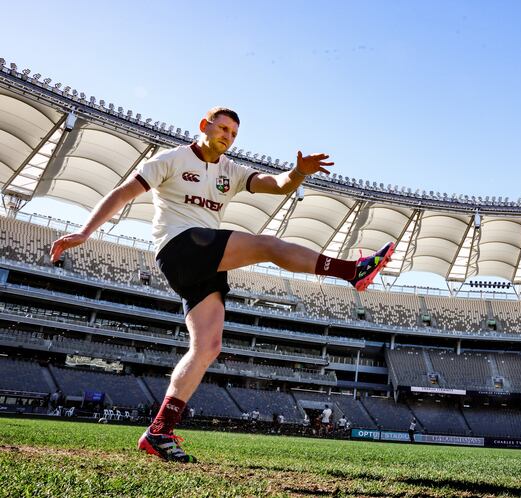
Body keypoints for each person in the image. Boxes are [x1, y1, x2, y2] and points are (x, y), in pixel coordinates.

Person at [50, 107, 395, 463]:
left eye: (233, 133)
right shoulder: (171, 159)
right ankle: (352, 271)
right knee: (267, 246)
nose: (227, 137)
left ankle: (159, 431)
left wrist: (298, 173)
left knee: (207, 347)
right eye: (223, 128)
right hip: (180, 247)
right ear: (205, 125)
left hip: (205, 260)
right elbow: (123, 193)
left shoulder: (230, 170)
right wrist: (85, 232)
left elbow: (277, 185)